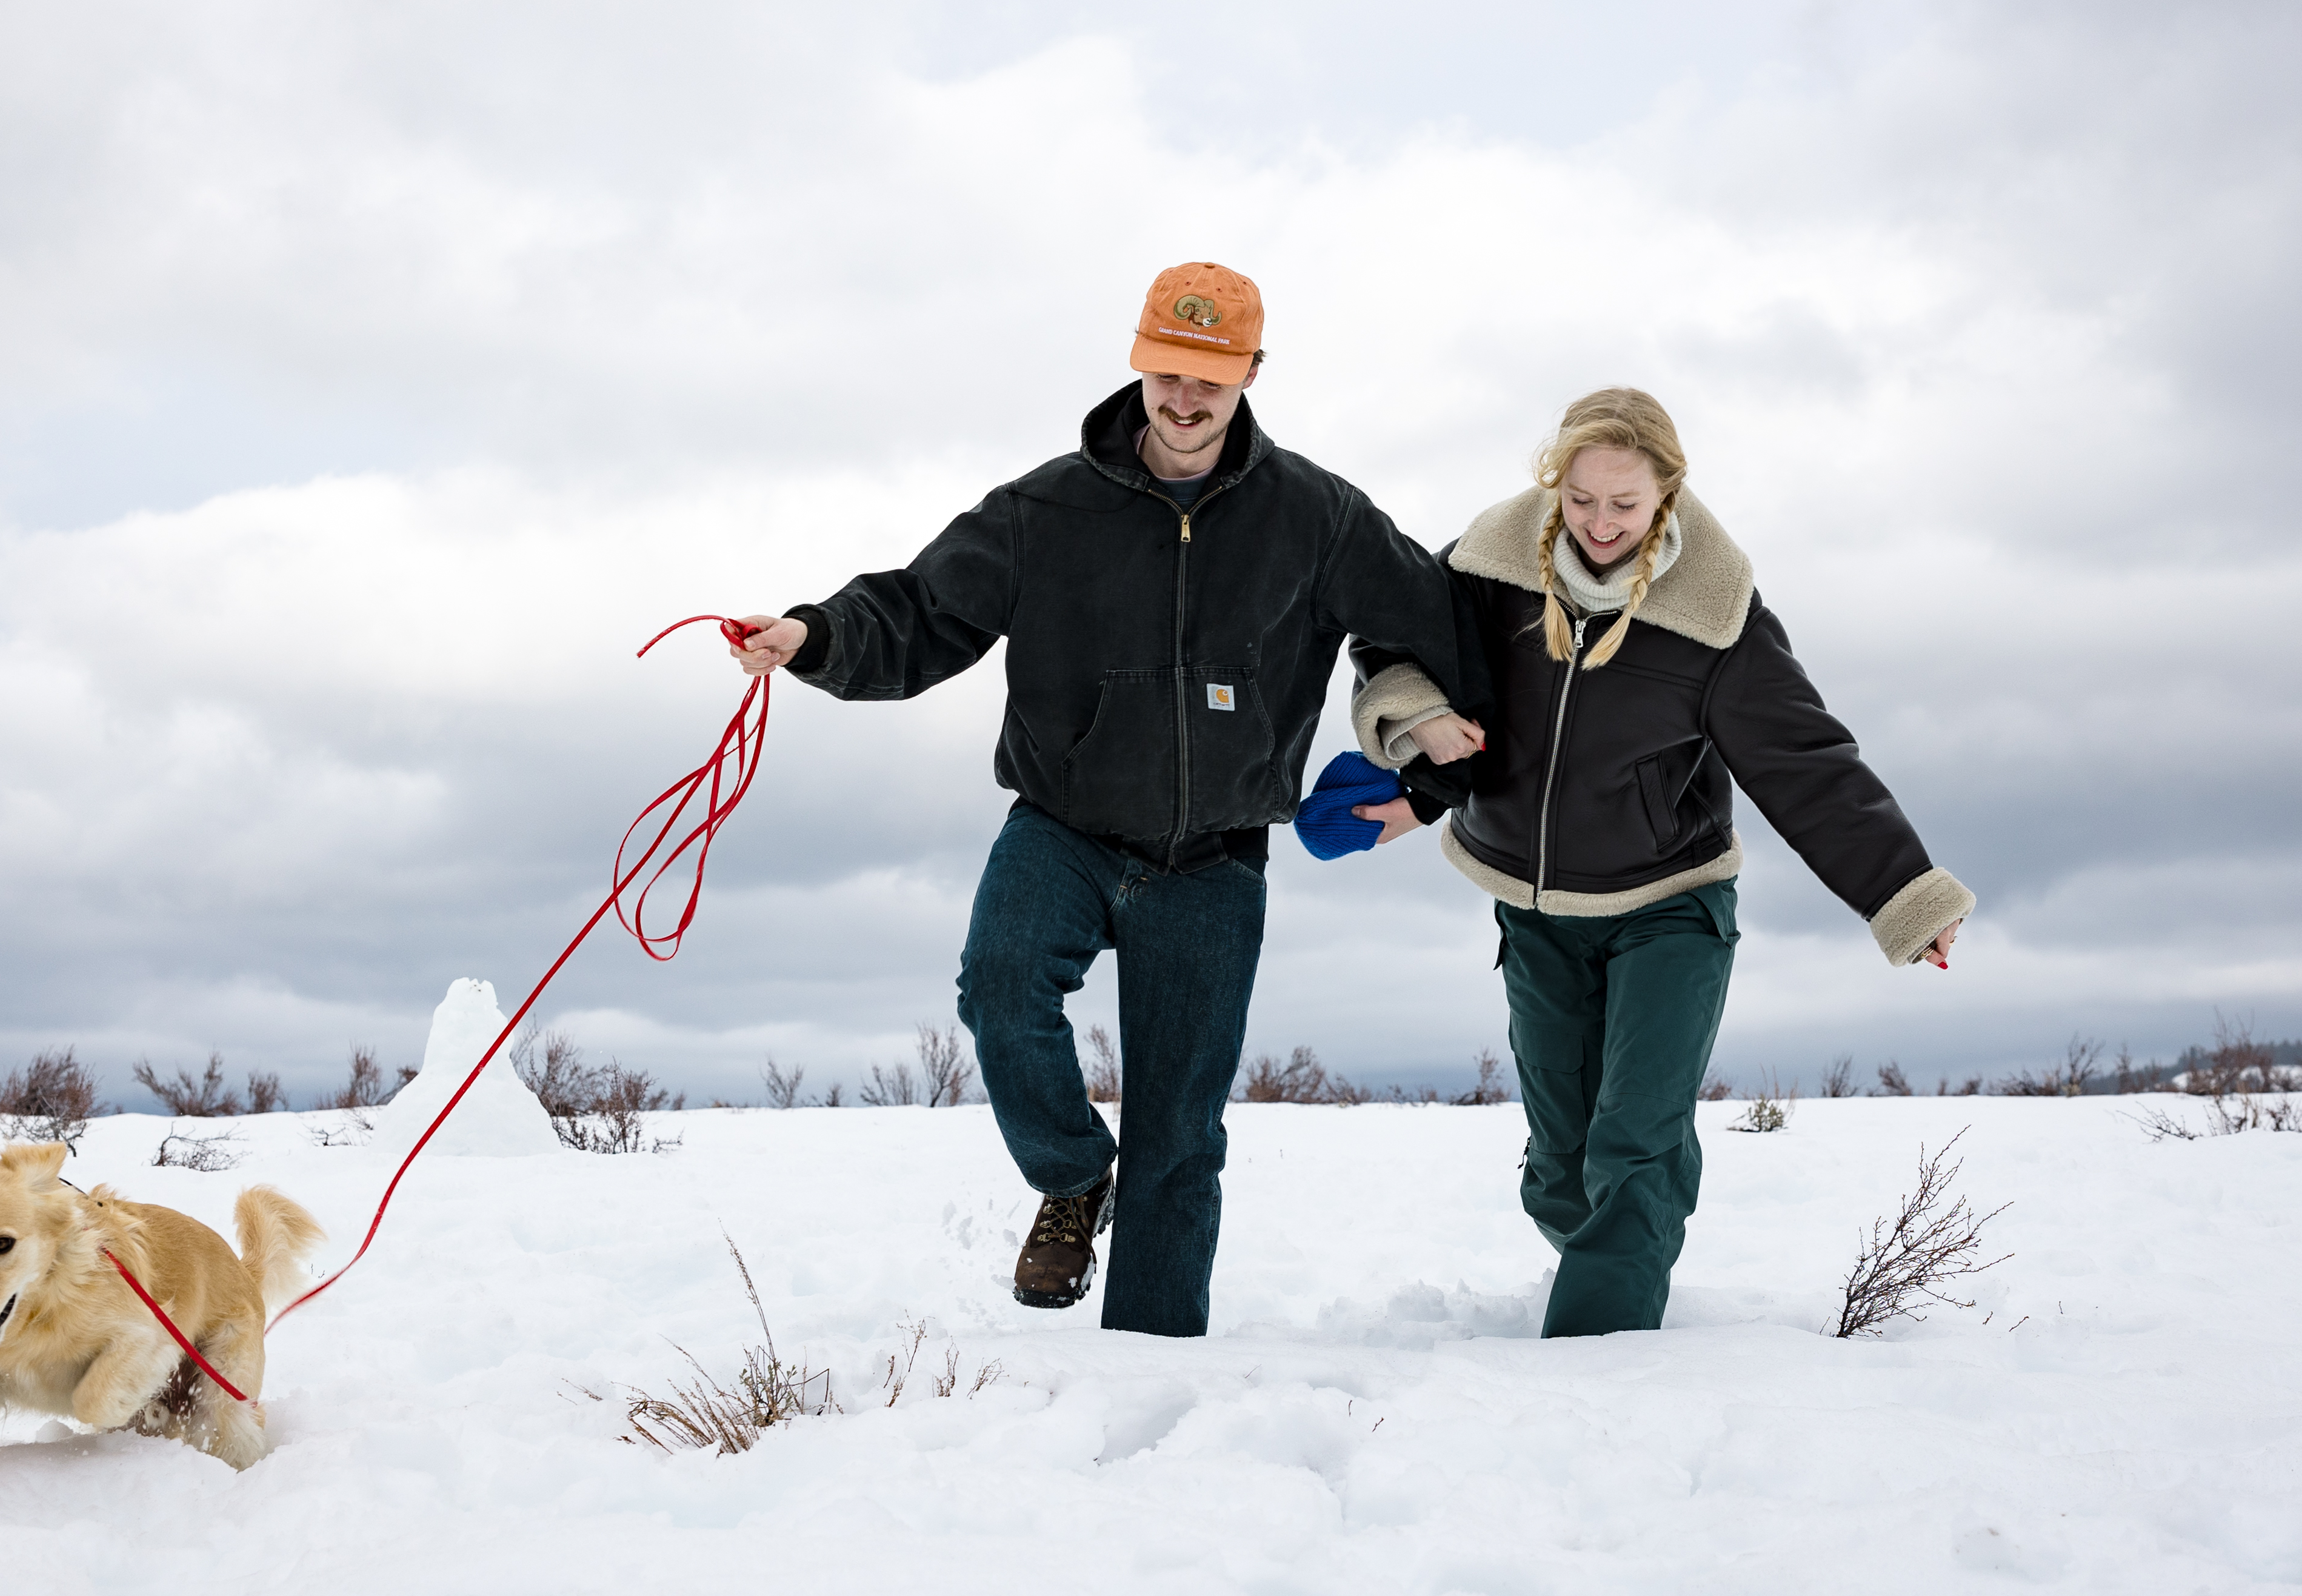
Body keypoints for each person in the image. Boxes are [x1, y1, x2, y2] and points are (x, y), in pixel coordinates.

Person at [728, 262, 1482, 1337]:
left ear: (1250, 375)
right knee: (998, 987)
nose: (1184, 400)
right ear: (1139, 362)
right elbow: (923, 610)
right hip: (1063, 825)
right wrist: (820, 637)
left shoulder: (1315, 518)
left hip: (1216, 861)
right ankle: (1076, 1176)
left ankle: (1153, 1365)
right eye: (1167, 373)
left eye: (1209, 379)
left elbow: (1430, 622)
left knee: (1181, 1136)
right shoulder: (1045, 509)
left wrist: (1433, 771)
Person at [1347, 387, 1972, 1338]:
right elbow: (1398, 643)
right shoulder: (1487, 568)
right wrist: (1418, 729)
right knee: (1563, 1167)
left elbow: (1806, 763)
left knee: (1635, 1143)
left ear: (1666, 496)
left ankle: (1600, 1364)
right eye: (1583, 499)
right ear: (1555, 484)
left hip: (1670, 904)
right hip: (1534, 903)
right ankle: (1609, 1280)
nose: (1601, 525)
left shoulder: (1715, 615)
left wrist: (1903, 893)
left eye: (1625, 506)